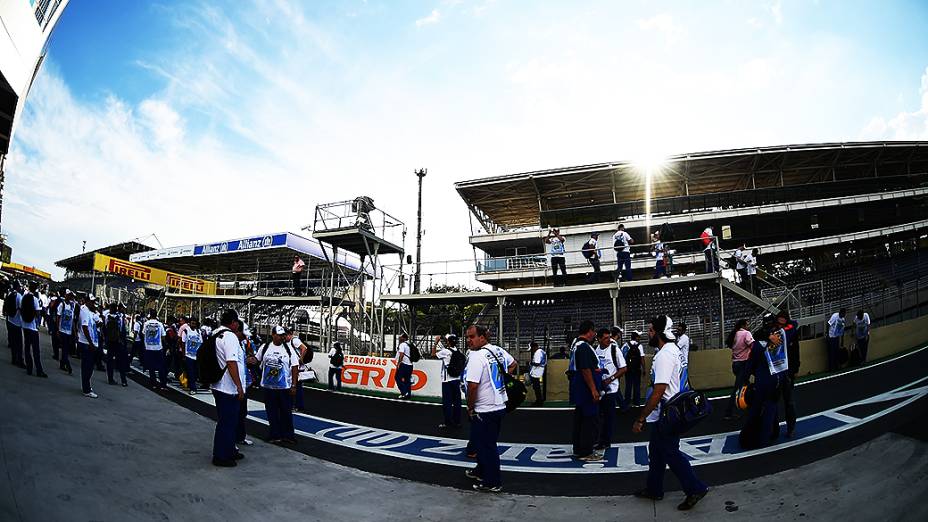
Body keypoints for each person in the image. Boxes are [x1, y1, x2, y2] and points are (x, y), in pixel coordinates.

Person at [633, 315, 708, 511]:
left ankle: (695, 488)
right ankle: (654, 489)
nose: (648, 334)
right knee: (657, 452)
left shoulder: (665, 354)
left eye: (650, 330)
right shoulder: (673, 350)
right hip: (671, 410)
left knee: (670, 453)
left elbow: (659, 390)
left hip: (668, 412)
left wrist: (641, 418)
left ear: (658, 333)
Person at [463, 324, 517, 493]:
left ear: (482, 337)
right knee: (481, 443)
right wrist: (502, 379)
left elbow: (472, 386)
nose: (468, 340)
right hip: (499, 404)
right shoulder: (497, 350)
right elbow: (513, 363)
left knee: (486, 445)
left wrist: (470, 407)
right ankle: (481, 470)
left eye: (472, 337)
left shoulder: (476, 356)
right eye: (467, 337)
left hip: (485, 408)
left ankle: (492, 481)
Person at [739, 323, 789, 449]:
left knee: (756, 409)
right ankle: (767, 436)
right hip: (776, 380)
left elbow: (750, 364)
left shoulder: (757, 346)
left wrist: (745, 379)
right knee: (771, 408)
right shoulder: (778, 343)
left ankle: (755, 436)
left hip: (761, 381)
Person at [211, 310, 247, 467]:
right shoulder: (230, 336)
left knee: (228, 422)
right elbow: (231, 362)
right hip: (228, 387)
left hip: (218, 383)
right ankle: (221, 456)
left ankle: (229, 449)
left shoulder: (216, 333)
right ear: (233, 322)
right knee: (227, 423)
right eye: (236, 321)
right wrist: (239, 386)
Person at [257, 326, 300, 444]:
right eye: (279, 335)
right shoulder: (265, 347)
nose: (281, 337)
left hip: (284, 387)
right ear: (273, 334)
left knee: (286, 412)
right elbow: (257, 359)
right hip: (268, 387)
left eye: (283, 335)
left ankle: (288, 435)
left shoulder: (288, 348)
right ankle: (275, 434)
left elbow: (295, 367)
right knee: (272, 412)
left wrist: (294, 385)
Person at [570, 320, 602, 461]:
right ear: (589, 331)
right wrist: (593, 389)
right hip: (585, 388)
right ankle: (586, 451)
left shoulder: (576, 345)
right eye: (594, 331)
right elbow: (585, 369)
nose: (595, 334)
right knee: (589, 419)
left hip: (580, 386)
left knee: (581, 419)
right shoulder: (583, 347)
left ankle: (579, 448)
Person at [595, 328, 626, 451]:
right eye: (605, 338)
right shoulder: (596, 350)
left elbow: (623, 368)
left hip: (611, 389)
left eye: (609, 337)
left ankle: (605, 441)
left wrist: (611, 379)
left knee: (608, 418)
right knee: (598, 417)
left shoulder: (614, 349)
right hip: (599, 388)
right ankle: (599, 439)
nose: (609, 340)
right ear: (599, 339)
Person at [723, 319, 754, 420]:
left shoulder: (735, 334)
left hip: (736, 363)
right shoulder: (746, 333)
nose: (748, 326)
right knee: (738, 388)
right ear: (744, 325)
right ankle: (729, 412)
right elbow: (753, 345)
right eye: (747, 324)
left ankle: (751, 405)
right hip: (744, 363)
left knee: (746, 385)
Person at [777, 312, 800, 437]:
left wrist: (796, 368)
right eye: (779, 320)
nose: (781, 323)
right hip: (776, 373)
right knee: (773, 403)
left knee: (789, 402)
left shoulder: (791, 332)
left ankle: (791, 428)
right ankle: (774, 429)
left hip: (788, 371)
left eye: (783, 320)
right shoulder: (774, 331)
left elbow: (796, 351)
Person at [435, 334, 463, 428]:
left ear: (448, 342)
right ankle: (457, 421)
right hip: (457, 379)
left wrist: (435, 343)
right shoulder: (459, 351)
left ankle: (448, 422)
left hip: (447, 380)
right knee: (457, 402)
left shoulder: (445, 351)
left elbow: (433, 354)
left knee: (447, 402)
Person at [20, 282, 47, 377]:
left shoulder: (24, 297)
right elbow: (38, 313)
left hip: (25, 325)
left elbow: (21, 309)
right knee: (36, 350)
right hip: (32, 327)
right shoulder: (35, 299)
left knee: (27, 347)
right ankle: (39, 370)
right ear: (36, 289)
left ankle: (29, 368)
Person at [77, 296, 101, 398]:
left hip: (88, 342)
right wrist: (91, 343)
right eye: (91, 302)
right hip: (87, 343)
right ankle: (86, 389)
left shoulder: (88, 311)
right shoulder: (85, 312)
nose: (93, 304)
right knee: (88, 367)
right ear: (87, 301)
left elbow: (97, 322)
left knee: (88, 367)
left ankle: (86, 387)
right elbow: (85, 327)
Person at [103, 303, 129, 386]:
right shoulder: (120, 317)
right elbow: (122, 329)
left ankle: (110, 379)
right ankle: (123, 380)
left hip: (110, 341)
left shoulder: (107, 316)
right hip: (118, 341)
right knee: (121, 361)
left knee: (109, 361)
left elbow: (105, 328)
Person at [142, 310, 168, 389]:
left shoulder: (146, 323)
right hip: (158, 347)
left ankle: (153, 383)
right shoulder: (160, 324)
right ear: (156, 315)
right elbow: (163, 336)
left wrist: (146, 343)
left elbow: (143, 334)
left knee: (151, 366)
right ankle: (163, 383)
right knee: (160, 366)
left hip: (148, 347)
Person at [286, 327, 309, 411]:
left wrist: (301, 359)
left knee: (297, 387)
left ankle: (298, 406)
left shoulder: (294, 340)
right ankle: (294, 405)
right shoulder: (288, 342)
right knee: (294, 386)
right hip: (293, 367)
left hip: (298, 368)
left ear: (290, 334)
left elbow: (304, 348)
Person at [622, 331, 645, 409]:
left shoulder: (625, 345)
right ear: (636, 337)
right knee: (637, 386)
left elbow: (623, 356)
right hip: (637, 369)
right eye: (638, 336)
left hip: (628, 369)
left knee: (628, 386)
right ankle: (637, 403)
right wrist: (643, 369)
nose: (640, 338)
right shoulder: (639, 346)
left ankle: (627, 402)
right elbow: (642, 358)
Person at [4, 283, 24, 368]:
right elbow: (21, 308)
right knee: (19, 343)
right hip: (17, 322)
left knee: (12, 341)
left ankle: (13, 358)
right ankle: (19, 361)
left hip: (9, 320)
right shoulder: (19, 296)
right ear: (18, 287)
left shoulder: (10, 294)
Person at [56, 290, 75, 374]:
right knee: (64, 349)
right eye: (68, 295)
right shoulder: (62, 305)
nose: (69, 297)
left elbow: (72, 320)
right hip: (62, 330)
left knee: (66, 349)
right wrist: (57, 329)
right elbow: (58, 317)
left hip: (69, 331)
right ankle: (67, 365)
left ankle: (62, 363)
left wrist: (74, 330)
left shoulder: (72, 306)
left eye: (71, 296)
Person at [183, 318, 203, 394]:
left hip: (196, 355)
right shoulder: (186, 331)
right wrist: (184, 355)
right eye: (192, 323)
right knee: (190, 371)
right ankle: (193, 388)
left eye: (194, 323)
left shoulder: (198, 332)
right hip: (188, 355)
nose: (193, 325)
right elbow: (183, 342)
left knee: (195, 372)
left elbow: (201, 343)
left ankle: (191, 384)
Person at [395, 333, 414, 398]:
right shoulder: (410, 344)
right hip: (410, 365)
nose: (399, 338)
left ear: (404, 338)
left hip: (404, 364)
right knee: (407, 380)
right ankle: (408, 394)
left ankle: (404, 392)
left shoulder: (402, 344)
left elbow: (401, 354)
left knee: (397, 378)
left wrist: (398, 363)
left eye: (401, 337)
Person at [528, 340, 546, 406]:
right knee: (537, 387)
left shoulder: (538, 352)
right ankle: (539, 400)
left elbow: (537, 363)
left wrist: (530, 363)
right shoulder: (542, 351)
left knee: (536, 387)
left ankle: (539, 401)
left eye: (532, 349)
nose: (532, 350)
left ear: (534, 347)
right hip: (539, 371)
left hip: (536, 372)